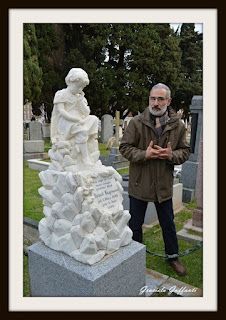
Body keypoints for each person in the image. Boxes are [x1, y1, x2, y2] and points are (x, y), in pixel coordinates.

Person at [119, 83, 190, 276]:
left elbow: (184, 151)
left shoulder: (178, 126)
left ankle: (173, 257)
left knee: (168, 223)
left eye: (160, 99)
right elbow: (124, 147)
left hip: (164, 184)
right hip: (140, 182)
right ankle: (134, 258)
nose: (156, 103)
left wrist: (170, 155)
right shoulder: (137, 122)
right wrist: (144, 154)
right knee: (135, 225)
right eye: (153, 98)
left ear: (168, 101)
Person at [50, 68, 99, 167]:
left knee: (93, 119)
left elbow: (86, 112)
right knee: (81, 129)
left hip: (79, 119)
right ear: (70, 82)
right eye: (78, 87)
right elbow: (61, 111)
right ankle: (85, 158)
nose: (80, 89)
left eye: (82, 87)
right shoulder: (61, 94)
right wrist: (74, 119)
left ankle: (80, 142)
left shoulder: (80, 96)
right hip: (65, 121)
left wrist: (80, 100)